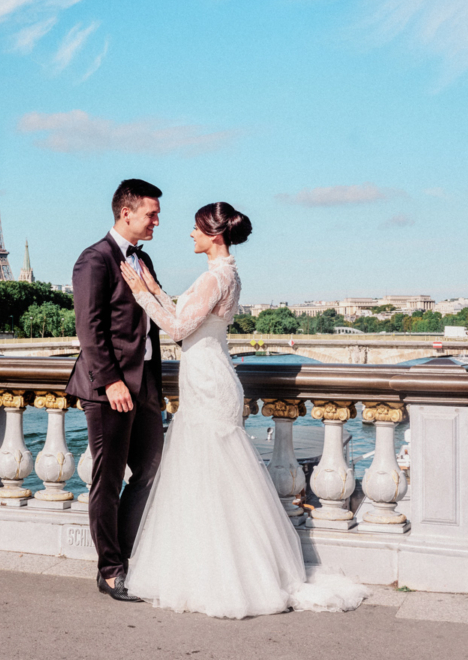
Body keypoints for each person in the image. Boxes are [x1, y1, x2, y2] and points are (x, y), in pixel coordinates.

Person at [118, 201, 367, 619]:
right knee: (214, 479)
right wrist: (155, 289)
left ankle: (214, 576)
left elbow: (178, 329)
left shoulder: (216, 277)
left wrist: (142, 293)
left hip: (208, 382)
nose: (191, 235)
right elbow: (185, 315)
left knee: (206, 477)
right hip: (209, 376)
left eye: (196, 229)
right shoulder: (225, 273)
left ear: (214, 234)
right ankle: (226, 571)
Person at [66, 179, 165, 603]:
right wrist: (110, 382)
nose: (157, 221)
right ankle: (110, 570)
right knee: (106, 481)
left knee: (150, 469)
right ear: (127, 212)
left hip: (143, 386)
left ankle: (126, 553)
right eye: (151, 214)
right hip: (109, 387)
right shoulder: (95, 260)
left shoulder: (143, 261)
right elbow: (90, 329)